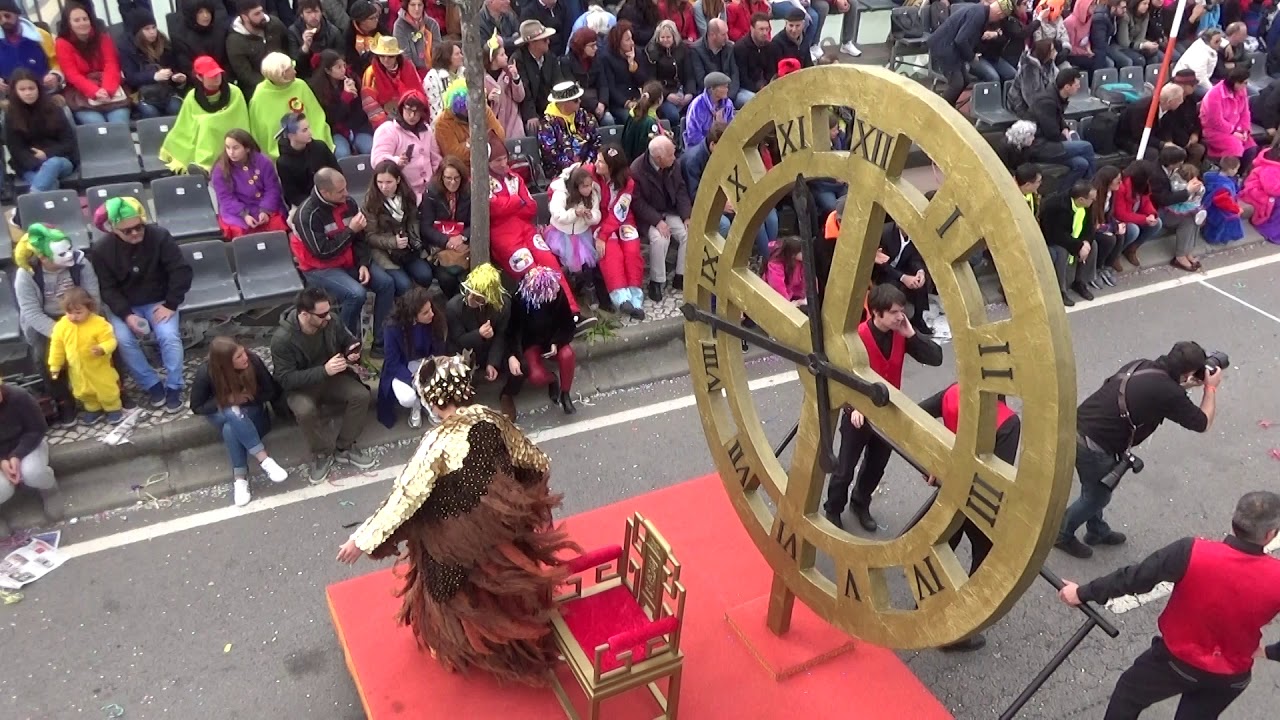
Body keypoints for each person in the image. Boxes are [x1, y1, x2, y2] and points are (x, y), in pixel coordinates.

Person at [335, 351, 576, 686]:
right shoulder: (491, 417)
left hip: (456, 540)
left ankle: (469, 648)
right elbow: (533, 459)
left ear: (433, 401)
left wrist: (360, 540)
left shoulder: (437, 443)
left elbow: (404, 498)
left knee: (443, 584)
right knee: (499, 578)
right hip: (502, 525)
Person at [1059, 491, 1280, 719]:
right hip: (1230, 676)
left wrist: (1082, 593)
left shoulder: (1192, 551)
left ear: (1235, 521)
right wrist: (1269, 652)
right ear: (1270, 534)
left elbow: (1135, 578)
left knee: (1128, 695)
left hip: (1175, 661)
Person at [1057, 341, 1223, 559]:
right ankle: (1062, 534)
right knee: (1097, 497)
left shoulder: (1142, 365)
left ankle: (1097, 531)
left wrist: (1186, 384)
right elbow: (1202, 423)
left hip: (1077, 428)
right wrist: (1210, 388)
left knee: (1095, 487)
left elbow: (1156, 392)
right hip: (1094, 445)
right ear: (1189, 371)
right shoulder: (1169, 393)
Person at [824, 284, 943, 532]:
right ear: (877, 313)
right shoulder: (856, 337)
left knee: (876, 466)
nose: (901, 316)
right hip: (858, 415)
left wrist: (912, 334)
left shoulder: (901, 332)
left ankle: (860, 503)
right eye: (895, 312)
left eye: (902, 310)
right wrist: (853, 406)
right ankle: (833, 508)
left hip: (888, 414)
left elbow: (936, 358)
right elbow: (839, 377)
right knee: (845, 469)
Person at [916, 380, 1021, 652]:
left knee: (942, 543)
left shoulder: (954, 392)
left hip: (949, 487)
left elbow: (917, 415)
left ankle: (923, 601)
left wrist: (936, 460)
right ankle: (959, 630)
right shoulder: (1007, 422)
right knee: (983, 557)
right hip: (978, 501)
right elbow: (997, 476)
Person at [89, 197, 193, 412]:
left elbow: (180, 271)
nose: (135, 233)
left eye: (139, 227)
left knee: (169, 336)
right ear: (114, 229)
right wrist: (127, 315)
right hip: (126, 305)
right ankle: (151, 384)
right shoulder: (101, 250)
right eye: (127, 231)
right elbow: (107, 288)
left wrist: (171, 304)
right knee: (123, 339)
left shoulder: (160, 236)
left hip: (160, 300)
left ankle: (174, 385)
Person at [271, 287, 376, 483]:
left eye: (329, 311)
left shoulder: (331, 321)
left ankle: (344, 446)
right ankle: (322, 453)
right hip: (302, 387)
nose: (328, 317)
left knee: (360, 395)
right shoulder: (282, 340)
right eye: (322, 314)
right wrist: (323, 371)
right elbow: (285, 379)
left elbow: (347, 339)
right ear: (304, 314)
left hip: (331, 378)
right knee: (304, 411)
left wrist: (352, 350)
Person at [291, 167, 396, 353]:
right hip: (319, 268)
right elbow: (322, 252)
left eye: (346, 188)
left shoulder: (348, 203)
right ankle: (346, 345)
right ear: (325, 192)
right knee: (355, 294)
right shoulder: (307, 215)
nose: (347, 194)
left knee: (387, 283)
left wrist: (363, 263)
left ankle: (379, 342)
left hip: (349, 260)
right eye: (341, 191)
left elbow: (360, 239)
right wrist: (351, 231)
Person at [14, 225, 101, 427]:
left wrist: (86, 323)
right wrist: (63, 333)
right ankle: (63, 399)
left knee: (104, 341)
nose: (69, 254)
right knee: (44, 355)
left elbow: (93, 296)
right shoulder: (26, 274)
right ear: (43, 257)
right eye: (62, 252)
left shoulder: (80, 263)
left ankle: (113, 388)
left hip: (82, 312)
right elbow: (31, 312)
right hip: (47, 319)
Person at [190, 337, 288, 506]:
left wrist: (247, 399)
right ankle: (264, 459)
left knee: (230, 428)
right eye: (238, 357)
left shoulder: (253, 362)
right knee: (230, 412)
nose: (245, 358)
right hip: (224, 414)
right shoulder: (206, 372)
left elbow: (272, 391)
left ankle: (240, 478)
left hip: (254, 415)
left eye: (243, 352)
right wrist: (226, 400)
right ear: (225, 364)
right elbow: (197, 407)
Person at [446, 264, 521, 419]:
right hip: (464, 350)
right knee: (457, 369)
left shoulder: (503, 304)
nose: (470, 298)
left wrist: (492, 362)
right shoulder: (453, 307)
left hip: (489, 348)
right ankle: (466, 398)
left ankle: (507, 394)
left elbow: (501, 335)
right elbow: (459, 340)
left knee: (521, 365)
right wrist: (479, 334)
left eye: (477, 296)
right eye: (470, 292)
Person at [508, 265, 580, 414]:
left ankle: (565, 393)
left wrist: (556, 341)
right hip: (531, 342)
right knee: (536, 376)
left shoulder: (557, 293)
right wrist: (514, 354)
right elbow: (513, 331)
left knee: (567, 355)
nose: (555, 293)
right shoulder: (519, 300)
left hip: (552, 339)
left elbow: (568, 325)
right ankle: (552, 380)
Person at [48, 287, 122, 425]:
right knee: (83, 391)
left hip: (99, 368)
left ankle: (113, 408)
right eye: (69, 312)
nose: (73, 317)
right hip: (76, 369)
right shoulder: (61, 326)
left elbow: (111, 341)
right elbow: (56, 346)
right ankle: (93, 409)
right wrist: (55, 364)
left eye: (78, 312)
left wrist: (102, 348)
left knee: (106, 389)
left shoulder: (99, 323)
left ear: (89, 308)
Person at [630, 134, 690, 302]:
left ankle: (681, 275)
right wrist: (657, 221)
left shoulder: (672, 164)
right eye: (670, 155)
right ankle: (657, 281)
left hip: (669, 210)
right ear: (658, 158)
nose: (674, 157)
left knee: (688, 233)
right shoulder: (636, 170)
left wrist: (686, 216)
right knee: (660, 238)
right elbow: (638, 204)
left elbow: (681, 190)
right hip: (649, 215)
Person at [377, 286, 447, 429]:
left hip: (425, 362)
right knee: (407, 398)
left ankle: (428, 403)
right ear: (413, 316)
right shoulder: (392, 328)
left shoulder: (435, 320)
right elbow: (392, 362)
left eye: (431, 309)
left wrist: (431, 367)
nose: (432, 314)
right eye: (425, 312)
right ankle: (416, 405)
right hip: (401, 366)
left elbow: (438, 350)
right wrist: (412, 377)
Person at [363, 159, 435, 294]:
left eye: (388, 182)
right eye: (380, 182)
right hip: (384, 252)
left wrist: (414, 239)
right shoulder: (370, 203)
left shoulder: (408, 196)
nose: (384, 187)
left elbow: (413, 221)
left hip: (408, 249)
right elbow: (370, 236)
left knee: (425, 275)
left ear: (398, 180)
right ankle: (405, 305)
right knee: (404, 285)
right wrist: (392, 242)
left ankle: (417, 300)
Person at [55, 2, 133, 124]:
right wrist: (94, 92)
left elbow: (111, 64)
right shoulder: (62, 43)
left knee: (119, 123)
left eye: (85, 19)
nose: (82, 23)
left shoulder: (102, 37)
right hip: (80, 93)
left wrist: (107, 90)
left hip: (109, 88)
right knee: (97, 124)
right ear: (69, 23)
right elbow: (72, 75)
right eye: (77, 20)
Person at [0, 383, 62, 536]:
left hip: (27, 445)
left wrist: (17, 455)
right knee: (2, 489)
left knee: (33, 473)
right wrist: (2, 460)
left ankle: (50, 491)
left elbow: (37, 428)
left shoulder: (19, 396)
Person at [592, 144, 646, 318]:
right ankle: (621, 298)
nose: (596, 164)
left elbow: (619, 212)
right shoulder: (590, 173)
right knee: (611, 252)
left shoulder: (627, 182)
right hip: (600, 220)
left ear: (611, 166)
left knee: (632, 251)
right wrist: (602, 236)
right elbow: (563, 182)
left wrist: (604, 235)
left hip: (623, 219)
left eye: (601, 162)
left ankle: (635, 298)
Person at [248, 52, 334, 160]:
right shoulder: (260, 95)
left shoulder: (300, 85)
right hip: (280, 154)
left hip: (310, 145)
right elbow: (260, 132)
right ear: (281, 75)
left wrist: (315, 141)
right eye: (290, 69)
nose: (295, 71)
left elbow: (316, 116)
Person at [3, 68, 77, 194]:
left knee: (52, 164)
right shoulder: (11, 115)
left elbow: (68, 142)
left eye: (31, 88)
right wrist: (39, 165)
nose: (28, 93)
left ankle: (24, 210)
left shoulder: (54, 109)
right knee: (50, 184)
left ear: (38, 88)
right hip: (29, 166)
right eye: (22, 89)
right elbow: (16, 149)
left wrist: (46, 154)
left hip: (60, 160)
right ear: (15, 91)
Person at [929, 0, 1010, 107]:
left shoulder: (981, 12)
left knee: (965, 80)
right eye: (1001, 17)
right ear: (999, 14)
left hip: (951, 47)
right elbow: (961, 40)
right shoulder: (978, 15)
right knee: (957, 83)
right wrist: (971, 57)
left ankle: (949, 106)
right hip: (944, 47)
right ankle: (939, 110)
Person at [212, 128, 289, 239]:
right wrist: (244, 215)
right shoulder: (220, 170)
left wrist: (265, 211)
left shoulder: (263, 162)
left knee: (276, 225)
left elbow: (272, 188)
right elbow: (225, 198)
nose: (231, 152)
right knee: (241, 231)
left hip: (263, 206)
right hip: (237, 212)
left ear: (247, 148)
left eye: (235, 148)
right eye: (228, 148)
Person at [418, 156, 472, 297]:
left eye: (456, 178)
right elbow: (425, 227)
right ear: (441, 177)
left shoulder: (469, 191)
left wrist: (462, 236)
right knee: (446, 278)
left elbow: (476, 222)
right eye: (448, 178)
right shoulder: (431, 193)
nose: (453, 182)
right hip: (440, 243)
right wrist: (446, 241)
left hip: (463, 242)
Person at [120, 8, 187, 118]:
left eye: (154, 27)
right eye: (147, 29)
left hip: (166, 92)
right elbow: (131, 78)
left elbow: (174, 68)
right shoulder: (128, 48)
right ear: (138, 31)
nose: (152, 32)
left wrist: (177, 78)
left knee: (177, 108)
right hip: (143, 95)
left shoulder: (164, 44)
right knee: (151, 113)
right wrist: (154, 76)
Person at [1040, 180, 1098, 306]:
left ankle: (1080, 282)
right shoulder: (1055, 206)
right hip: (1055, 241)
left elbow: (1090, 227)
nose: (1094, 201)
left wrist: (1086, 242)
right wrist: (1078, 246)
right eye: (1092, 199)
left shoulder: (1087, 205)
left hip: (1074, 239)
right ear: (1081, 199)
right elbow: (1056, 234)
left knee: (1093, 246)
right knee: (1061, 252)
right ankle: (1060, 290)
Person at [370, 88, 436, 201]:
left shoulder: (427, 130)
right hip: (402, 193)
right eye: (409, 110)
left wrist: (436, 181)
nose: (412, 115)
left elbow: (435, 158)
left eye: (417, 111)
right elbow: (377, 160)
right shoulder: (387, 130)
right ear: (401, 108)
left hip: (429, 191)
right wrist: (396, 161)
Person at [309, 50, 374, 159]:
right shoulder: (318, 89)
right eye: (338, 67)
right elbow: (330, 118)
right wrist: (345, 99)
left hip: (357, 127)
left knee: (370, 148)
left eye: (344, 65)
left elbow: (361, 112)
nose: (343, 70)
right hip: (335, 131)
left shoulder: (352, 78)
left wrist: (355, 97)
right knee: (342, 154)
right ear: (328, 71)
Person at [225, 0, 290, 100]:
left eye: (261, 11)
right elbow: (246, 75)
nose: (262, 16)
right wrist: (272, 83)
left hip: (286, 77)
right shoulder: (235, 42)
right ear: (245, 17)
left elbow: (288, 46)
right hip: (259, 90)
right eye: (257, 14)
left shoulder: (274, 24)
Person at [275, 111, 341, 209]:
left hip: (331, 196)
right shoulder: (283, 162)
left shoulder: (320, 147)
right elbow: (293, 195)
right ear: (291, 136)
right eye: (304, 130)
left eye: (309, 127)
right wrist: (316, 203)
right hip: (306, 205)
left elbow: (337, 171)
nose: (310, 132)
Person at [537, 80, 601, 180]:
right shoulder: (547, 124)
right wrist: (576, 168)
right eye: (575, 100)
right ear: (563, 103)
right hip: (563, 174)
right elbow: (551, 155)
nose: (580, 101)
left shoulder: (585, 116)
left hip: (589, 167)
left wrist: (588, 163)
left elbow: (596, 142)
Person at [546, 163, 601, 275]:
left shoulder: (593, 195)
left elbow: (597, 213)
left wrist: (590, 217)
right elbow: (558, 215)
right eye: (585, 186)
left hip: (582, 234)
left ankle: (583, 281)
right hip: (561, 233)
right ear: (576, 186)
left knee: (583, 260)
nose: (589, 189)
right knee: (565, 259)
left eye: (590, 185)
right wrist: (574, 213)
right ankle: (568, 280)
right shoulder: (561, 193)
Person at [0, 0, 63, 96]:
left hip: (45, 94)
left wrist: (55, 75)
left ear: (17, 15)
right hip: (12, 98)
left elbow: (57, 61)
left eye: (7, 16)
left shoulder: (40, 35)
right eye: (0, 18)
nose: (4, 20)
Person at [361, 35, 424, 129]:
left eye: (390, 56)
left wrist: (414, 118)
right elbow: (371, 106)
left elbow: (419, 94)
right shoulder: (370, 73)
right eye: (382, 56)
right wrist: (388, 128)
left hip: (412, 117)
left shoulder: (409, 67)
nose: (386, 60)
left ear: (397, 56)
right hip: (386, 124)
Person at [171, 0, 229, 79]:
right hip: (197, 82)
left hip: (223, 79)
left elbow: (226, 62)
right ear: (191, 14)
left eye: (208, 12)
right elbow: (187, 67)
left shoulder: (221, 31)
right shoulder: (180, 38)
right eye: (200, 12)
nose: (205, 16)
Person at [289, 0, 343, 80]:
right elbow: (295, 65)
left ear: (321, 12)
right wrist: (305, 47)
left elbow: (340, 56)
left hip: (328, 76)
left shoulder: (333, 31)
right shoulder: (294, 32)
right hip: (305, 77)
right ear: (301, 14)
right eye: (308, 12)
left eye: (316, 11)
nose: (313, 16)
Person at [683, 71, 734, 149]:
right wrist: (709, 146)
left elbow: (732, 128)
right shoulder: (697, 105)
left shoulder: (728, 104)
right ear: (712, 89)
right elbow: (693, 136)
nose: (727, 90)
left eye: (727, 87)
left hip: (722, 146)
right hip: (699, 148)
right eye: (724, 87)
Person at [764, 235, 805, 304]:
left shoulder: (801, 262)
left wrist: (805, 298)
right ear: (793, 254)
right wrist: (787, 304)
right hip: (776, 297)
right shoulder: (775, 264)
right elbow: (777, 286)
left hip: (794, 295)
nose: (806, 254)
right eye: (802, 252)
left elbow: (808, 280)